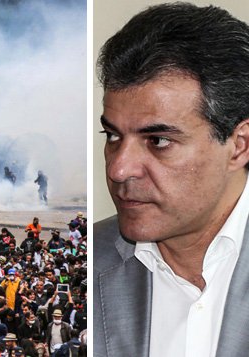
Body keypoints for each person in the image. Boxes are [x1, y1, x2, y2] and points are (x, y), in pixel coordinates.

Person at [93, 5, 249, 356]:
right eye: (113, 136)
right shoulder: (89, 261)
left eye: (158, 141)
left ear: (239, 146)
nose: (119, 169)